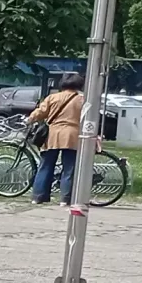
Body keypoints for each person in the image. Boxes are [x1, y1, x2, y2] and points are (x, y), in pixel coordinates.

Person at [27, 73, 86, 205]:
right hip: (72, 135)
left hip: (52, 135)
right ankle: (65, 199)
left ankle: (38, 196)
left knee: (45, 166)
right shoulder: (82, 100)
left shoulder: (53, 97)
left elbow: (40, 112)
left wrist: (30, 119)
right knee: (69, 168)